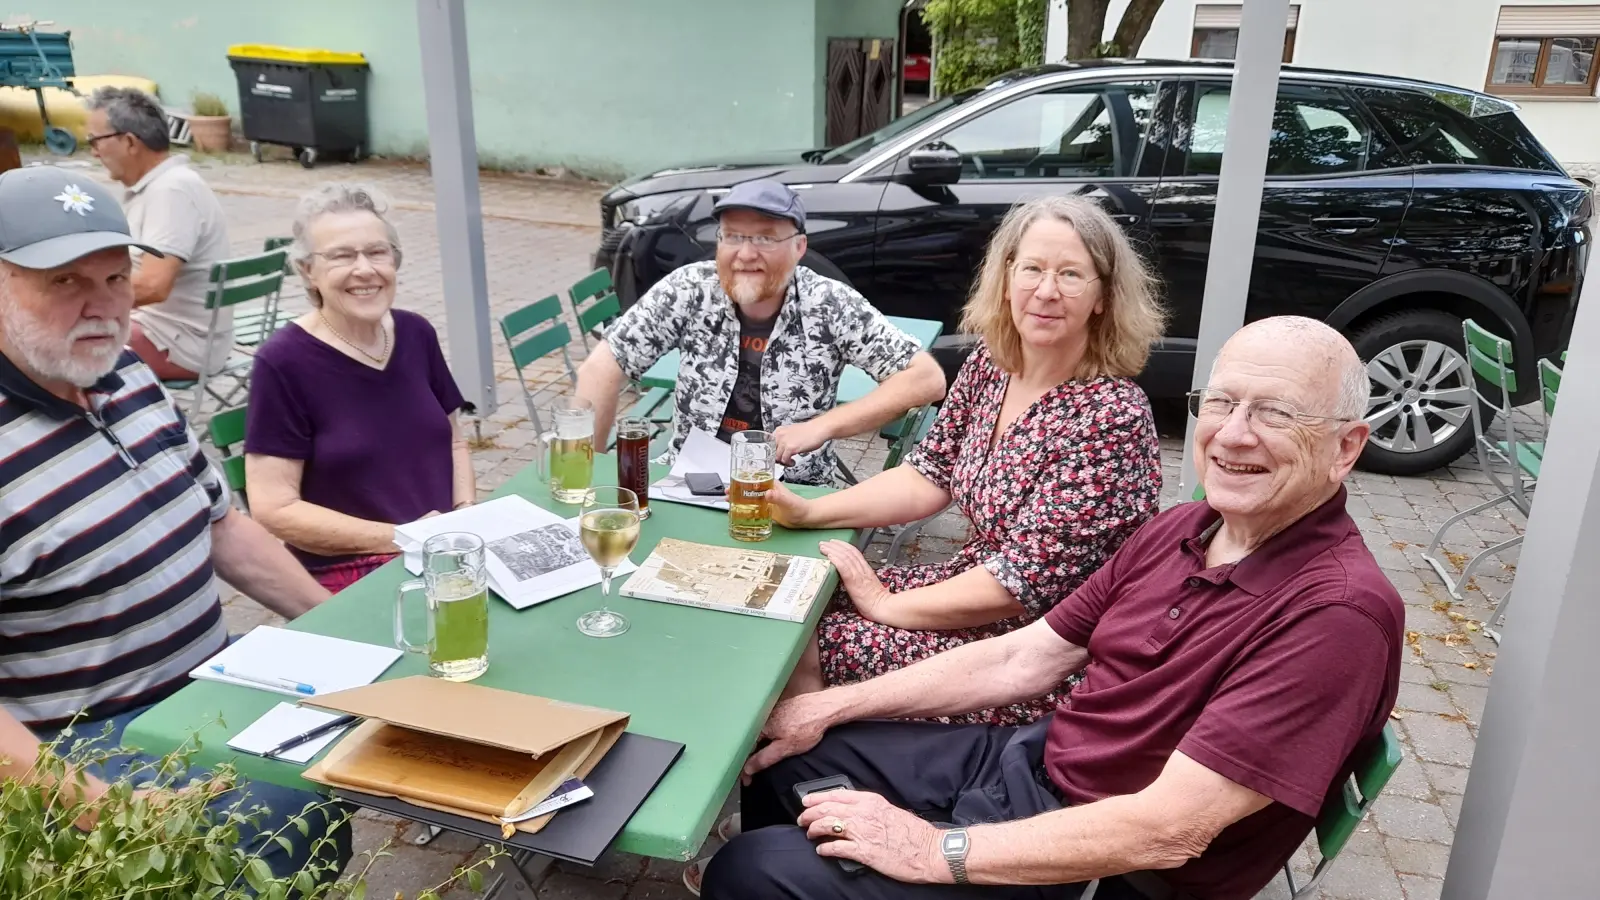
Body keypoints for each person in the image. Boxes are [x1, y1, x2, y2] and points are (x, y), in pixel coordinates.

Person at [700, 316, 1405, 900]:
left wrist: (936, 848)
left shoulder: (1335, 616)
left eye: (1275, 412)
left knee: (751, 872)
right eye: (1219, 403)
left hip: (1099, 867)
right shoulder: (1186, 529)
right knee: (790, 754)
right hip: (1036, 764)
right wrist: (831, 707)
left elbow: (1168, 829)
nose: (1233, 433)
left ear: (1346, 447)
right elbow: (1025, 653)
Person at [0, 167, 349, 882]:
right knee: (275, 812)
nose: (99, 306)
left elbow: (224, 527)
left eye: (114, 279)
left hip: (210, 682)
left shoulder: (124, 373)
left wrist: (352, 638)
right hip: (88, 741)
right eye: (63, 283)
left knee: (358, 752)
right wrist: (99, 804)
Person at [770, 195, 1165, 725]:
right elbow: (927, 474)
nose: (1046, 291)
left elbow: (1023, 583)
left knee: (808, 638)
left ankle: (814, 764)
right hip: (977, 593)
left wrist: (886, 604)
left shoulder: (1110, 418)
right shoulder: (994, 364)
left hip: (1043, 653)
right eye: (1032, 269)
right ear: (1005, 278)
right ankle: (808, 755)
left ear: (1102, 297)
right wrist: (810, 512)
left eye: (1072, 275)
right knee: (796, 591)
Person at [575, 179, 946, 485]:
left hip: (794, 490)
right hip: (688, 483)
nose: (746, 254)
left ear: (799, 247)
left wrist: (823, 427)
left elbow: (926, 378)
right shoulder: (689, 289)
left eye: (765, 238)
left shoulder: (828, 303)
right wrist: (587, 472)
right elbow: (602, 367)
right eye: (733, 236)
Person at [245, 183, 475, 592]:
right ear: (307, 271)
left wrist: (466, 516)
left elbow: (455, 442)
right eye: (341, 256)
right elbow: (274, 508)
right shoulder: (283, 363)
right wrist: (402, 536)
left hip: (444, 553)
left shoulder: (415, 333)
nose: (364, 269)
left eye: (377, 252)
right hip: (351, 572)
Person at [85, 86, 232, 381]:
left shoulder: (171, 191)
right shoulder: (162, 185)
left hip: (179, 343)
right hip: (168, 331)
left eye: (95, 140)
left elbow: (154, 285)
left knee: (52, 345)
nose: (93, 151)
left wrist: (80, 302)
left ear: (129, 142)